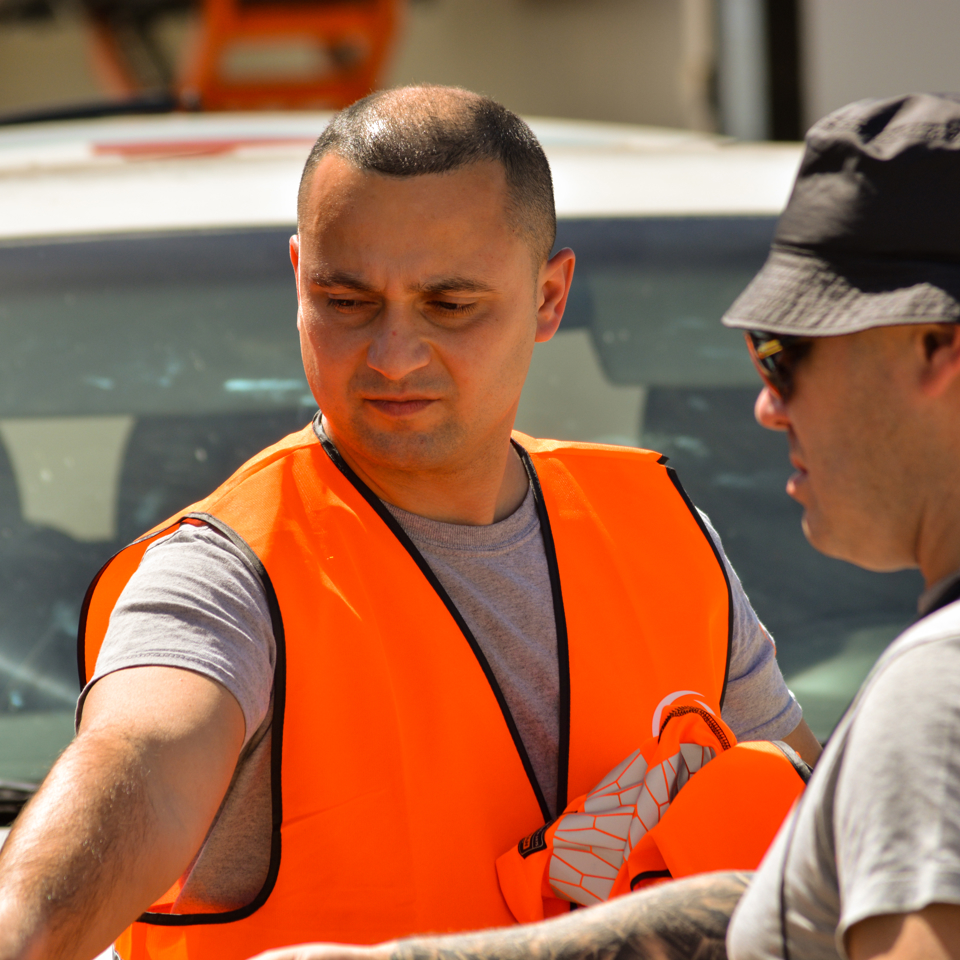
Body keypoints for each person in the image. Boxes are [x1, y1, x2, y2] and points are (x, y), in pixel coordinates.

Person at [0, 85, 817, 960]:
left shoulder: (663, 532)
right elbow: (143, 762)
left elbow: (828, 826)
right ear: (299, 281)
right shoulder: (227, 572)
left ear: (549, 298)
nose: (393, 355)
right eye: (346, 302)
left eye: (450, 305)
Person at [242, 91, 960, 960]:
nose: (768, 406)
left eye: (784, 352)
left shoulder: (938, 690)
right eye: (347, 299)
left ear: (935, 348)